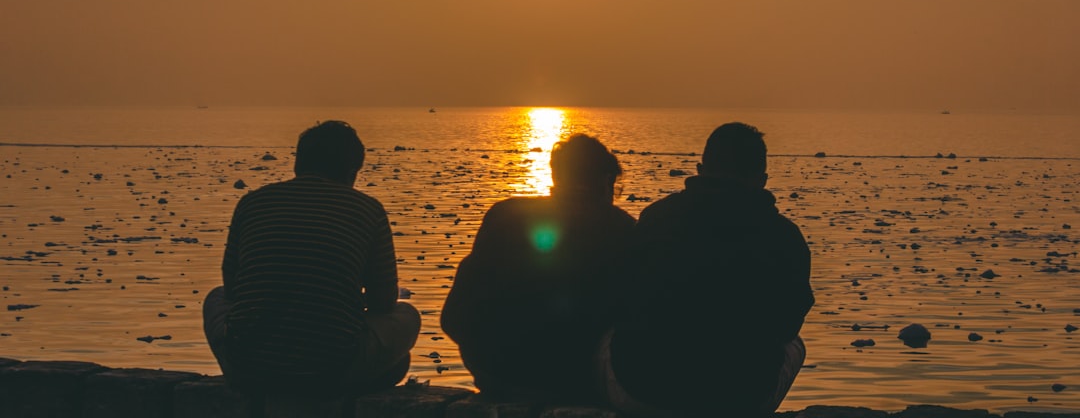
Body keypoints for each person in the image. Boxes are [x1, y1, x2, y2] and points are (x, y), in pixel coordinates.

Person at [601, 122, 814, 417]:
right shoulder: (784, 236)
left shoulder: (655, 218)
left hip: (644, 393)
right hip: (739, 399)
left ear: (700, 169)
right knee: (796, 345)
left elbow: (619, 297)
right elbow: (788, 324)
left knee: (605, 335)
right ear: (762, 180)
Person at [203, 120, 420, 395]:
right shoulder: (368, 210)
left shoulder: (252, 202)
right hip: (330, 370)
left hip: (246, 370)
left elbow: (233, 289)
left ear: (298, 164)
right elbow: (383, 301)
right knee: (407, 314)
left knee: (216, 297)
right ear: (353, 172)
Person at [441, 133, 636, 404]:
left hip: (496, 374)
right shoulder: (623, 229)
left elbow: (453, 318)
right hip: (575, 380)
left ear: (556, 175)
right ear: (606, 181)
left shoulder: (503, 214)